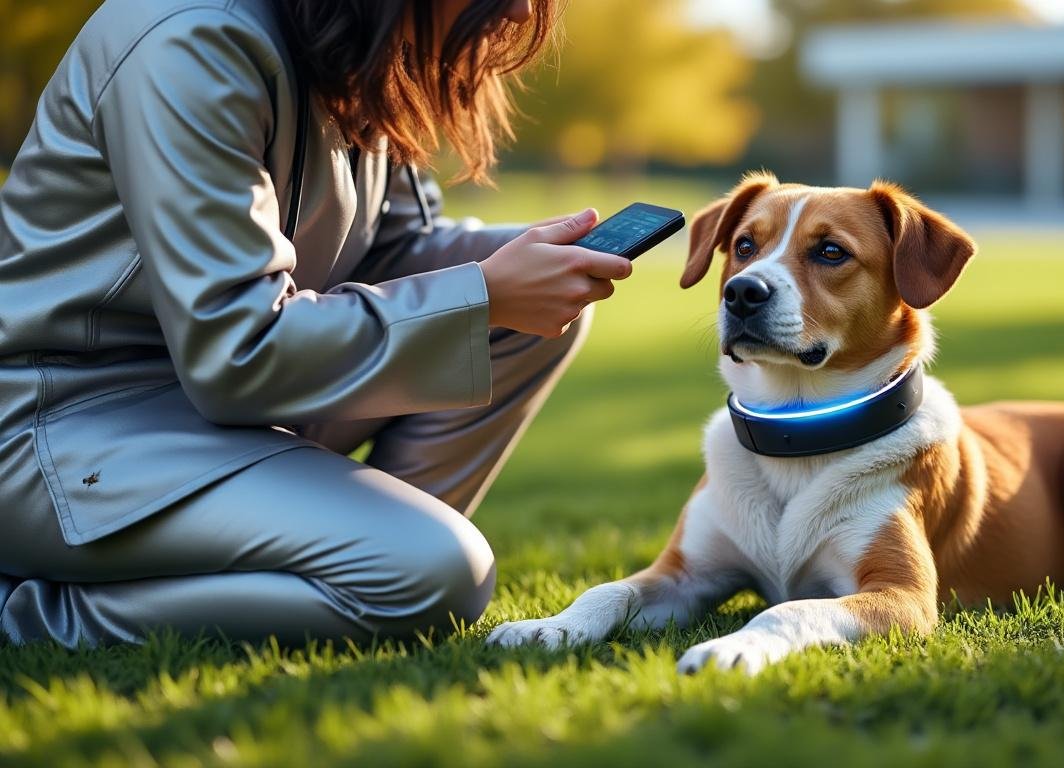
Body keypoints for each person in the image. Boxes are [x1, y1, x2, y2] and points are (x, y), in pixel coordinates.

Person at [0, 0, 633, 647]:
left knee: (524, 320)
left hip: (212, 417)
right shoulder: (193, 38)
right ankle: (23, 614)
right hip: (65, 429)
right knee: (435, 574)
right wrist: (486, 292)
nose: (522, 10)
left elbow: (396, 248)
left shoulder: (358, 49)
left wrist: (518, 272)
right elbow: (236, 353)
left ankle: (361, 550)